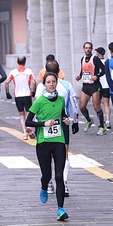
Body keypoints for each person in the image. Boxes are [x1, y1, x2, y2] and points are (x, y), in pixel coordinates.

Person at [26, 72, 70, 221]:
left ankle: (60, 209)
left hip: (58, 141)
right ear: (44, 84)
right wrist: (43, 124)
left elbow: (62, 114)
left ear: (57, 83)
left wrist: (66, 120)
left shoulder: (61, 100)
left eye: (53, 82)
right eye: (48, 82)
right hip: (43, 142)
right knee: (47, 176)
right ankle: (44, 186)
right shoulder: (39, 101)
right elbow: (28, 122)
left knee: (59, 176)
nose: (51, 84)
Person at [35, 60, 79, 197]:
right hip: (61, 124)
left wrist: (37, 124)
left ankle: (48, 183)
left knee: (49, 155)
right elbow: (74, 104)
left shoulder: (41, 87)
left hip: (45, 125)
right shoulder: (66, 85)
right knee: (63, 155)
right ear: (59, 70)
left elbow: (37, 107)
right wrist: (75, 121)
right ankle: (64, 183)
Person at [75, 42, 106, 135]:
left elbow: (104, 69)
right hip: (86, 85)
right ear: (83, 49)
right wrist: (79, 76)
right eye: (86, 48)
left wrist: (97, 76)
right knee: (82, 106)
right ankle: (89, 120)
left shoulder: (95, 59)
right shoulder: (83, 59)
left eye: (89, 48)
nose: (87, 49)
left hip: (95, 85)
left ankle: (101, 127)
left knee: (96, 106)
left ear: (91, 49)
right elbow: (83, 70)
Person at [5, 55, 36, 140]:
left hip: (18, 95)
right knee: (28, 113)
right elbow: (33, 82)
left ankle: (25, 133)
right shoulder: (29, 71)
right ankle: (29, 126)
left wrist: (7, 93)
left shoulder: (13, 72)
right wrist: (33, 91)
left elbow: (7, 82)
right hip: (27, 94)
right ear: (25, 62)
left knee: (21, 114)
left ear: (17, 62)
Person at [95, 47, 112, 130]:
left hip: (99, 85)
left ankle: (101, 121)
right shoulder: (107, 61)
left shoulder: (96, 62)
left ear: (98, 53)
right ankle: (108, 120)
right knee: (106, 104)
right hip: (107, 85)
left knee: (97, 104)